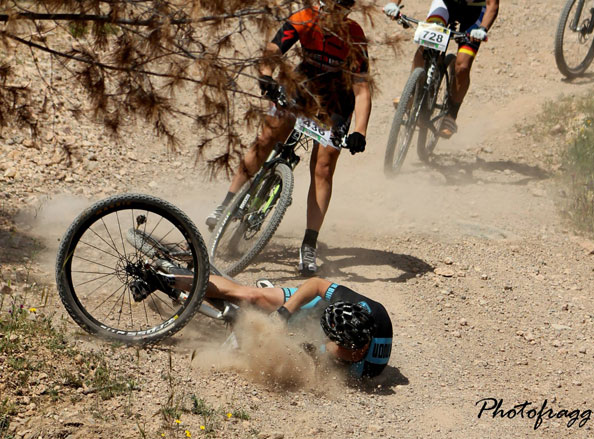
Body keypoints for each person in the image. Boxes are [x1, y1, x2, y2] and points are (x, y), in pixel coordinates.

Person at [206, 0, 372, 276]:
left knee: (324, 167)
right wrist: (266, 76)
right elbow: (272, 50)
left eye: (344, 8)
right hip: (303, 85)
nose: (336, 13)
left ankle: (309, 245)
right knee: (267, 137)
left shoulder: (354, 35)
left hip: (335, 98)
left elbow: (362, 88)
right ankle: (226, 203)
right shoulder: (305, 17)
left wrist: (360, 132)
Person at [141, 262, 393, 379]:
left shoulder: (368, 368)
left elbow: (313, 359)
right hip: (318, 305)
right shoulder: (367, 308)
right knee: (249, 295)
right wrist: (284, 313)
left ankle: (188, 298)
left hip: (329, 331)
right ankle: (166, 276)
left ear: (356, 350)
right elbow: (315, 284)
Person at [383, 0, 499, 138]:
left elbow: (493, 4)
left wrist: (482, 29)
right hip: (446, 4)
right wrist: (393, 3)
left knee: (462, 66)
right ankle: (413, 93)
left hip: (475, 12)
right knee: (426, 44)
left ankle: (451, 115)